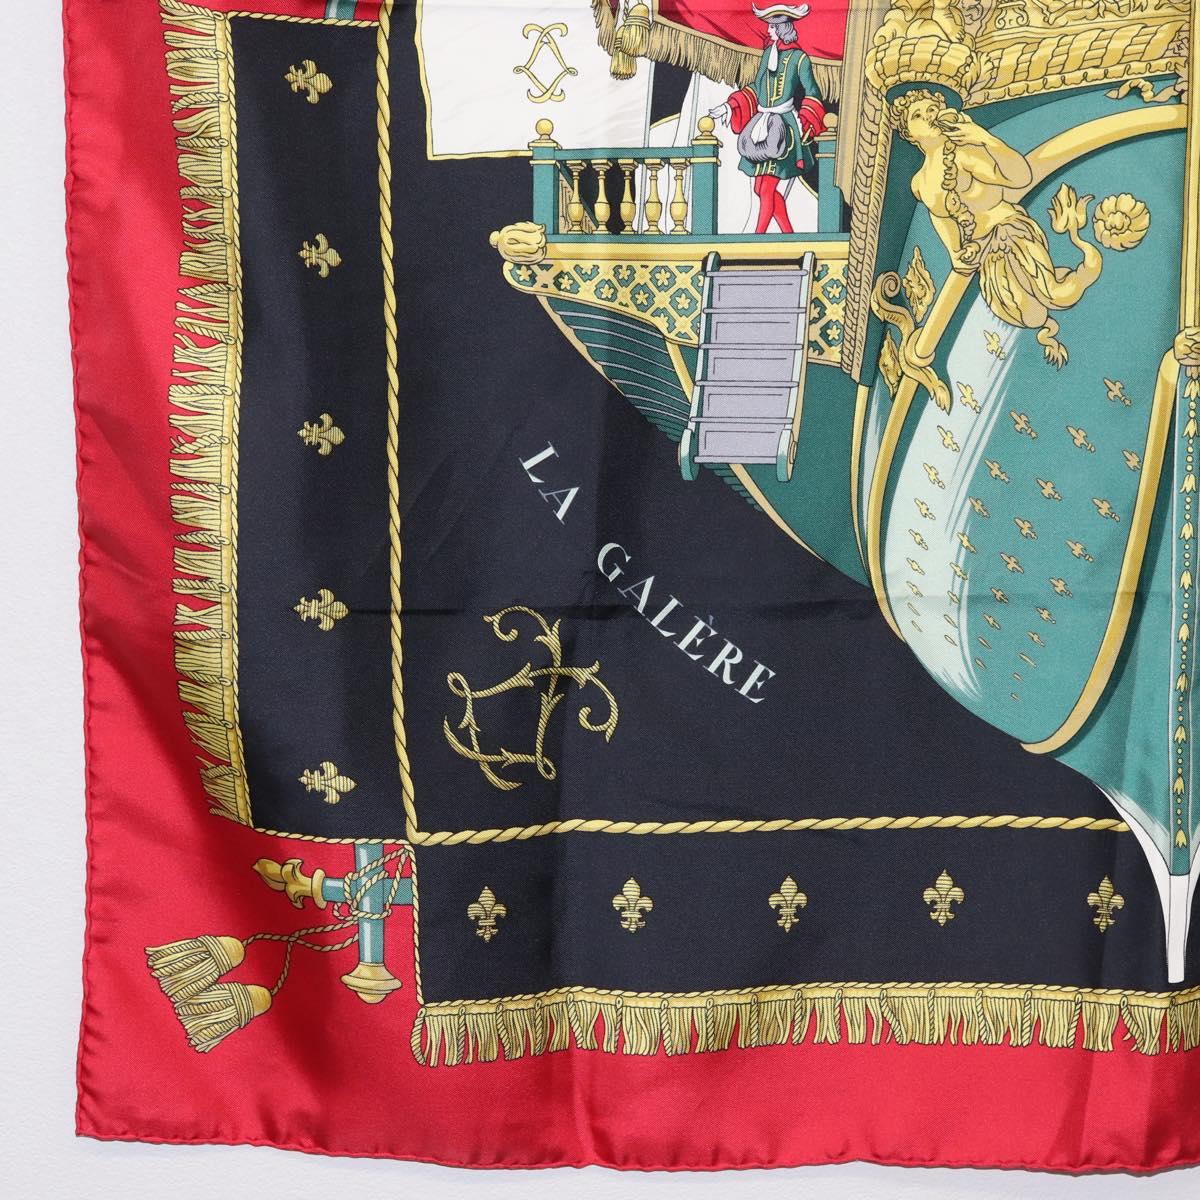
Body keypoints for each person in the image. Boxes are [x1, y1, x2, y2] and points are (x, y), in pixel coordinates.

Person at [709, 4, 826, 234]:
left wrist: (806, 120)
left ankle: (758, 236)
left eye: (772, 26)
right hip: (762, 123)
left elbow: (812, 91)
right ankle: (789, 235)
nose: (768, 30)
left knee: (765, 189)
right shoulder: (767, 54)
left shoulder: (800, 58)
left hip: (785, 128)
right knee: (761, 188)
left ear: (783, 28)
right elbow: (756, 87)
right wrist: (729, 106)